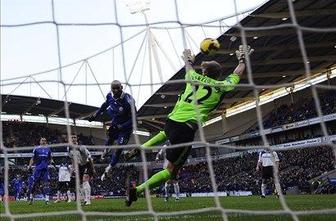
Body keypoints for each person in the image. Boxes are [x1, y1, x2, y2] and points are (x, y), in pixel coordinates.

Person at [125, 45, 254, 206]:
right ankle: (137, 191)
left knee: (166, 133)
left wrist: (188, 60)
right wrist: (242, 60)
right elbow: (237, 74)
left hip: (172, 121)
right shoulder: (221, 86)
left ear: (204, 72)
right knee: (171, 171)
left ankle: (142, 148)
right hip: (186, 128)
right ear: (218, 75)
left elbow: (188, 67)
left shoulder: (192, 76)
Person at [88, 80, 136, 181]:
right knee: (110, 139)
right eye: (113, 88)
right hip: (115, 123)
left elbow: (134, 118)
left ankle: (109, 168)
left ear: (121, 88)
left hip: (125, 128)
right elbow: (105, 105)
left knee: (118, 148)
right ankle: (105, 151)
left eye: (117, 88)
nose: (115, 90)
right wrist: (96, 114)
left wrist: (122, 126)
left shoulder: (128, 100)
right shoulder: (109, 96)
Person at [69, 134, 96, 205]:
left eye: (74, 137)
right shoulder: (69, 149)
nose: (73, 139)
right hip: (79, 166)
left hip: (87, 164)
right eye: (72, 138)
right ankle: (84, 199)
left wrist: (93, 169)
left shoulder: (82, 147)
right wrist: (73, 169)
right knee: (80, 184)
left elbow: (90, 157)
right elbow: (72, 160)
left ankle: (88, 200)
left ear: (77, 139)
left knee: (85, 180)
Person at [28, 137, 54, 205]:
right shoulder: (36, 149)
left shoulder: (48, 149)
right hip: (38, 169)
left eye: (45, 140)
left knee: (46, 184)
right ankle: (31, 198)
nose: (44, 141)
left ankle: (47, 200)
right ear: (40, 141)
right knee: (35, 184)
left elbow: (50, 158)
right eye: (42, 140)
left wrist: (52, 162)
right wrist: (29, 166)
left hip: (45, 169)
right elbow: (32, 159)